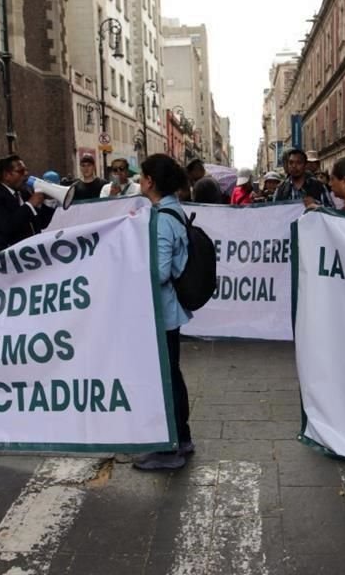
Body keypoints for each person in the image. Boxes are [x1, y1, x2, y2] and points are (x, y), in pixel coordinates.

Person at [133, 154, 193, 471]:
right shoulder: (170, 210)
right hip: (169, 311)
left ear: (151, 181)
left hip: (163, 311)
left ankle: (171, 449)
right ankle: (181, 438)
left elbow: (159, 271)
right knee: (172, 375)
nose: (139, 181)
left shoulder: (162, 219)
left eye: (141, 176)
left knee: (166, 379)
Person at [0, 155, 52, 252]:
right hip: (4, 256)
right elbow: (6, 226)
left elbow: (41, 223)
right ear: (6, 175)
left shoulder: (24, 193)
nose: (26, 174)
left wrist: (48, 201)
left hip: (27, 254)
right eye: (21, 171)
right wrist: (30, 205)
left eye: (26, 170)